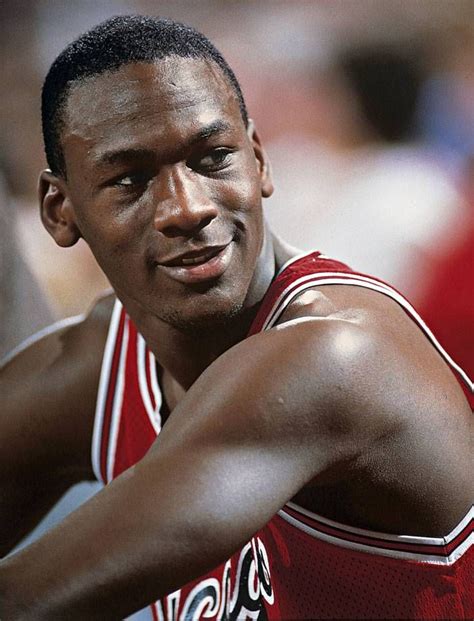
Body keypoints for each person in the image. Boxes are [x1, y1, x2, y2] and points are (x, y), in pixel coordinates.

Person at [0, 15, 472, 621]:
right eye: (130, 180)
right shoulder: (102, 365)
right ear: (59, 211)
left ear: (259, 160)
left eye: (213, 157)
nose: (186, 207)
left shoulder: (337, 357)